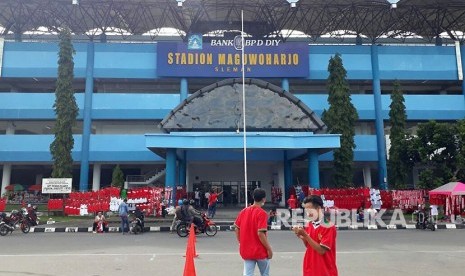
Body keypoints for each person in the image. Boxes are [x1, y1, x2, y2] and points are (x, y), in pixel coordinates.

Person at [292, 195, 338, 276]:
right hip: (310, 268)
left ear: (318, 208)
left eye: (310, 210)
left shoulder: (328, 225)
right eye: (306, 210)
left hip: (324, 270)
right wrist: (302, 237)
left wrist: (305, 235)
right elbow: (308, 245)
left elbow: (321, 251)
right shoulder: (309, 224)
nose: (308, 213)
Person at [234, 188, 273, 276]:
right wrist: (269, 249)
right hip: (260, 251)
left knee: (247, 274)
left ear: (253, 197)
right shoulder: (262, 213)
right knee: (265, 273)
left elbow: (236, 228)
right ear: (264, 199)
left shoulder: (244, 211)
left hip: (247, 250)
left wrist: (241, 242)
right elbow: (260, 233)